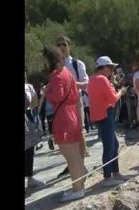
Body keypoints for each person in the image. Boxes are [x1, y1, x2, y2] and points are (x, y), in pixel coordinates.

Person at [43, 46, 87, 202]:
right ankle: (79, 186)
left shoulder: (56, 76)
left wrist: (46, 92)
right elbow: (74, 96)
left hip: (63, 117)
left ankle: (77, 190)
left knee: (71, 157)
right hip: (72, 114)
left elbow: (58, 95)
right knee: (75, 155)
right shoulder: (68, 73)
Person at [88, 56, 129, 187]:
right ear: (105, 67)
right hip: (106, 115)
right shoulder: (102, 80)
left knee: (114, 145)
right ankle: (107, 176)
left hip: (98, 116)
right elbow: (112, 99)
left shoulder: (93, 79)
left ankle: (115, 172)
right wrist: (121, 92)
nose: (112, 70)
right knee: (109, 147)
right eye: (111, 68)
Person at [56, 36, 90, 178]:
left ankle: (81, 165)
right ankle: (73, 164)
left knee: (79, 133)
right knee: (65, 137)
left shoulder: (77, 64)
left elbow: (86, 83)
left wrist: (69, 83)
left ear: (70, 46)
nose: (61, 47)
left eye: (63, 44)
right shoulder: (55, 66)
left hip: (75, 101)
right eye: (58, 45)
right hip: (61, 105)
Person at [25, 74, 45, 190]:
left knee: (29, 148)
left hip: (27, 117)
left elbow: (34, 103)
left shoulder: (28, 86)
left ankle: (30, 177)